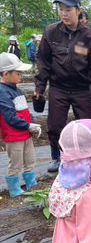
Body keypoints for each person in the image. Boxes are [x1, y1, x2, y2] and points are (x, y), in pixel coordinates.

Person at [34, 0, 91, 173]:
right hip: (58, 88)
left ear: (78, 10)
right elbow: (43, 61)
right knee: (55, 125)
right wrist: (39, 87)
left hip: (83, 89)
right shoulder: (52, 32)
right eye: (60, 9)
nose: (63, 13)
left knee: (87, 125)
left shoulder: (87, 36)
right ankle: (56, 156)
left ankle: (88, 157)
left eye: (68, 9)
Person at [0, 53, 41, 198]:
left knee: (30, 159)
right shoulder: (2, 92)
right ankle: (14, 188)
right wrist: (28, 126)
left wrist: (33, 124)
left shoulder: (17, 90)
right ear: (6, 74)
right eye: (17, 73)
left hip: (25, 132)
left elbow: (25, 111)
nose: (20, 76)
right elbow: (10, 117)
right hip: (14, 136)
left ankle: (31, 183)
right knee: (15, 163)